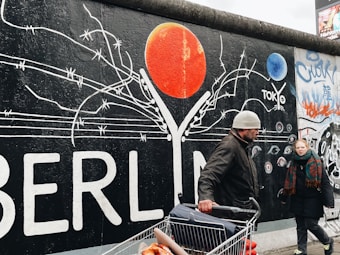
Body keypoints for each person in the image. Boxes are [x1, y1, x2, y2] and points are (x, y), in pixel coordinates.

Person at [197, 110, 261, 214]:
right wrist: (205, 197)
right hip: (231, 215)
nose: (258, 132)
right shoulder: (230, 146)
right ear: (245, 128)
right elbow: (208, 174)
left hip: (241, 212)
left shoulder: (242, 146)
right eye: (256, 128)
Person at [278, 139, 334, 255]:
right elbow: (288, 182)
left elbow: (325, 182)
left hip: (313, 199)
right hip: (297, 199)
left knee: (311, 224)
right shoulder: (293, 162)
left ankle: (327, 241)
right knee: (300, 226)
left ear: (307, 148)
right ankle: (301, 250)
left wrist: (329, 201)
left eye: (302, 147)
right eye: (298, 148)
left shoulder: (316, 162)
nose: (300, 150)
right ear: (295, 149)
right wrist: (284, 197)